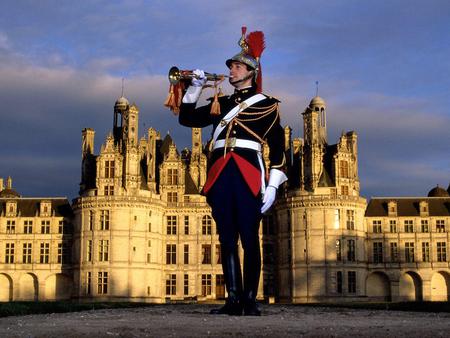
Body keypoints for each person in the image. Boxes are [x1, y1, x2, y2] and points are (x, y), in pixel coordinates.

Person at [178, 27, 287, 316]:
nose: (231, 71)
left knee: (250, 238)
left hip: (248, 172)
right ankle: (233, 299)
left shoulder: (267, 105)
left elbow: (277, 146)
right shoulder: (222, 102)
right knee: (226, 238)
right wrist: (195, 88)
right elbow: (186, 119)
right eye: (231, 66)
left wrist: (273, 184)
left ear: (250, 71)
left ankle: (250, 300)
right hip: (220, 173)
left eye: (237, 66)